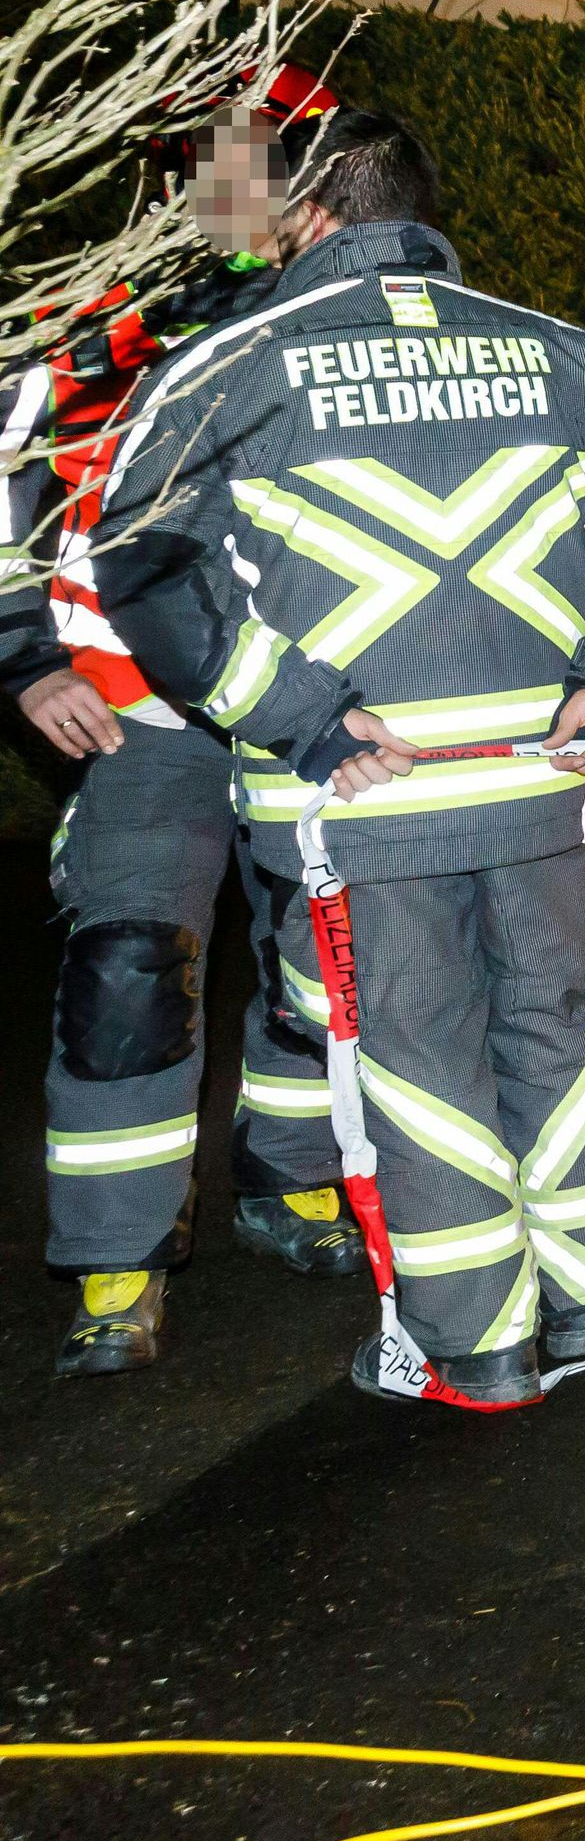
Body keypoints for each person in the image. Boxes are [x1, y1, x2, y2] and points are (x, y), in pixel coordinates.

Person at [89, 106, 585, 1406]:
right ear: (425, 214)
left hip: (360, 800)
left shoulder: (223, 368)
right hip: (544, 788)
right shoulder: (560, 351)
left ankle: (475, 1345)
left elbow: (144, 566)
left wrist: (300, 711)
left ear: (307, 212)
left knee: (418, 1056)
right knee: (560, 1028)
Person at [5, 77, 360, 1373]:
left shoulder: (344, 317)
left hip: (313, 705)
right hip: (140, 713)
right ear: (174, 184)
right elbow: (4, 471)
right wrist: (22, 650)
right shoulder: (94, 323)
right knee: (127, 972)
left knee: (327, 959)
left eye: (272, 166)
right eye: (217, 168)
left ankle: (293, 1178)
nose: (245, 193)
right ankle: (114, 1270)